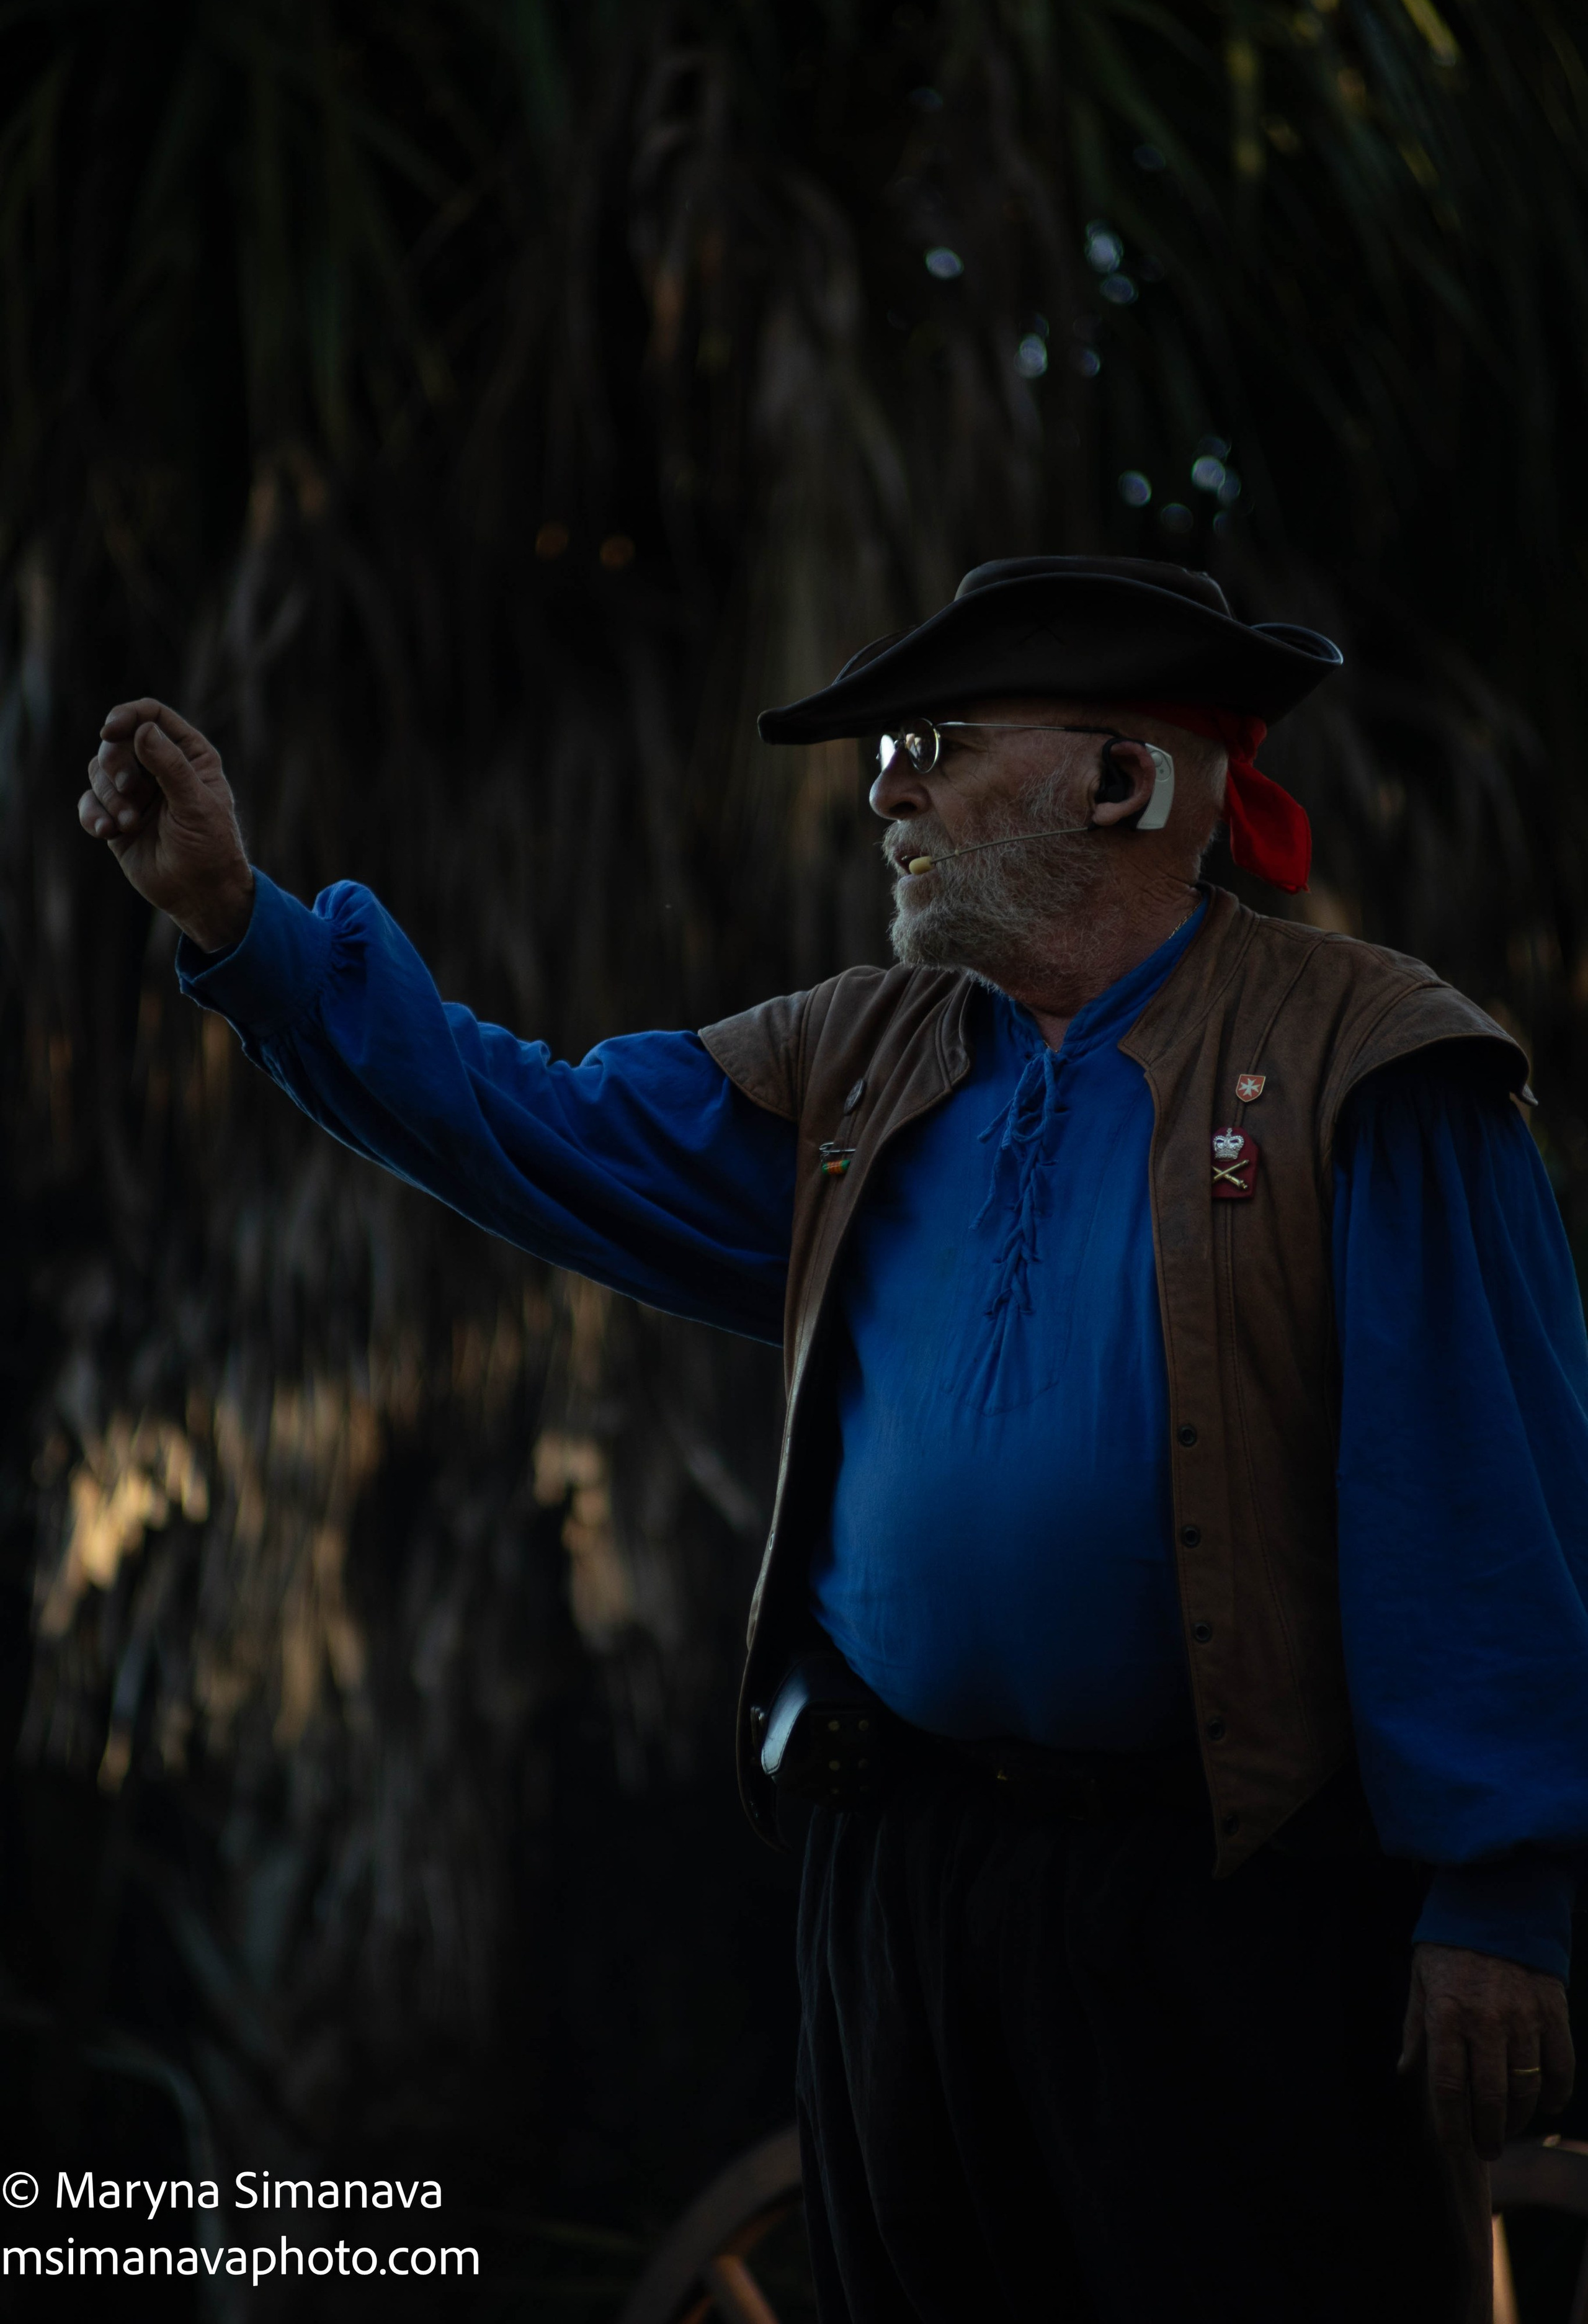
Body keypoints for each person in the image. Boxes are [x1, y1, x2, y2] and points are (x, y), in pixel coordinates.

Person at [80, 556, 1588, 2323]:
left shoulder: (1374, 1065)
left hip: (1229, 1908)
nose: (886, 791)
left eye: (935, 744)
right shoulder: (856, 1063)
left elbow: (1486, 1497)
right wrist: (244, 929)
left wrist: (1503, 1897)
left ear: (1124, 782)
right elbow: (533, 1129)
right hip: (908, 1891)